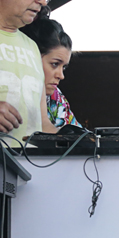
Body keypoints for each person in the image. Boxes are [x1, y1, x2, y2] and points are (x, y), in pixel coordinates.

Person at [0, 0, 57, 142]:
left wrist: (83, 141)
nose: (43, 2)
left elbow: (43, 124)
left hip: (28, 163)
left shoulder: (32, 47)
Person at [21, 17, 79, 128]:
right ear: (31, 58)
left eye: (64, 67)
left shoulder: (56, 98)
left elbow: (79, 139)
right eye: (55, 64)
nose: (61, 76)